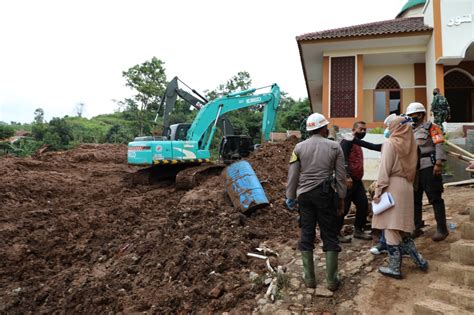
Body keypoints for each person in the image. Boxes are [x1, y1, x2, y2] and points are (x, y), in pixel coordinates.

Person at [286, 112, 347, 291]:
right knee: (329, 234)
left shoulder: (298, 148)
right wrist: (342, 198)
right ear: (323, 128)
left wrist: (290, 196)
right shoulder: (335, 147)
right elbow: (341, 177)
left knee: (307, 234)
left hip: (304, 196)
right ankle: (331, 280)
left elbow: (293, 175)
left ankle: (310, 279)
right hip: (325, 195)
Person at [372, 115, 428, 279]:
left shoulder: (390, 144)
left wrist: (377, 191)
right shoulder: (411, 145)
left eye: (390, 126)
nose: (388, 129)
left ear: (396, 127)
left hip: (392, 186)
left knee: (390, 226)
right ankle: (419, 261)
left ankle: (395, 268)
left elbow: (384, 170)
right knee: (401, 228)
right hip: (407, 187)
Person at [406, 102, 449, 241]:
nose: (412, 117)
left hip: (429, 166)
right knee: (415, 199)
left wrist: (438, 162)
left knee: (435, 198)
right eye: (410, 115)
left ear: (422, 115)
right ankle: (416, 227)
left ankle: (442, 229)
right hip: (414, 169)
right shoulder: (409, 130)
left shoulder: (432, 127)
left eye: (414, 115)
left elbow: (439, 143)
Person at [338, 121, 382, 242]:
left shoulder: (355, 141)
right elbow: (343, 159)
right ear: (353, 129)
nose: (363, 132)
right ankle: (336, 233)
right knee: (344, 208)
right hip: (348, 181)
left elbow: (371, 146)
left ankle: (358, 230)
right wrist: (347, 176)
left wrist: (388, 145)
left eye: (364, 130)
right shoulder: (347, 140)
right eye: (360, 129)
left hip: (356, 181)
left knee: (363, 205)